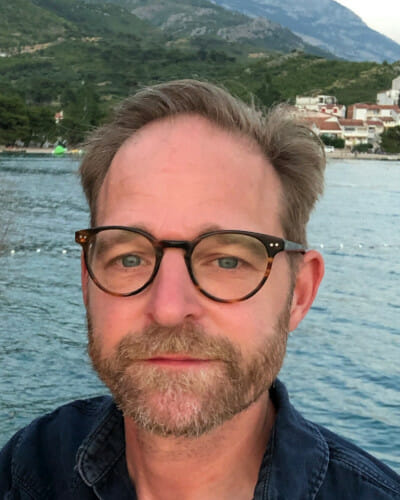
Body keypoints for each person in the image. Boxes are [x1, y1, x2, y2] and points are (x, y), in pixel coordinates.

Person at [1, 80, 399, 499]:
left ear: (299, 293)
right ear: (87, 284)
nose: (170, 307)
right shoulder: (32, 466)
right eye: (130, 259)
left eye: (227, 261)